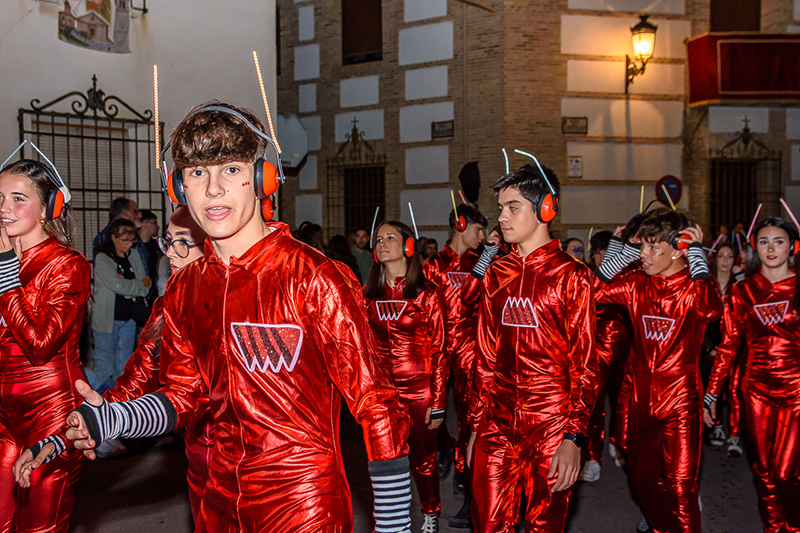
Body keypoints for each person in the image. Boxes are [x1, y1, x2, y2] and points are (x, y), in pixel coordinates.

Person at [62, 102, 413, 533]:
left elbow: (375, 403)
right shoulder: (187, 289)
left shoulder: (316, 277)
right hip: (217, 502)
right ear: (178, 188)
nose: (212, 190)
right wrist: (114, 418)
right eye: (196, 173)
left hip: (303, 503)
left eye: (230, 170)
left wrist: (395, 525)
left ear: (262, 178)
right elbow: (183, 397)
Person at [14, 206, 213, 521]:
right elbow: (134, 383)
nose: (170, 253)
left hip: (263, 467)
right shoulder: (169, 305)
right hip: (203, 464)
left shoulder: (241, 301)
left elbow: (193, 397)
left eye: (183, 243)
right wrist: (65, 436)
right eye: (168, 241)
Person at [466, 161, 596, 532]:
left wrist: (573, 437)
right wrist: (477, 426)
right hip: (496, 423)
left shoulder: (572, 276)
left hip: (552, 425)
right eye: (501, 208)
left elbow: (585, 365)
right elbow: (486, 357)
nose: (502, 218)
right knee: (487, 523)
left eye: (513, 207)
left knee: (545, 526)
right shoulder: (496, 273)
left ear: (545, 209)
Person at [595, 208, 723, 533]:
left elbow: (711, 309)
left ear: (678, 248)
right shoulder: (637, 283)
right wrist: (620, 248)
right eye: (643, 247)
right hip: (638, 402)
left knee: (680, 489)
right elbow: (591, 293)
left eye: (653, 247)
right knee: (643, 481)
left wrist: (697, 255)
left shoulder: (694, 288)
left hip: (680, 404)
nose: (644, 255)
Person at [0, 157, 91, 533]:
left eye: (18, 198)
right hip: (5, 412)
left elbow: (40, 344)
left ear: (47, 208)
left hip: (52, 414)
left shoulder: (67, 265)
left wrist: (5, 264)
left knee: (38, 527)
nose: (4, 208)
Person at [705, 217, 800, 533]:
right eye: (763, 242)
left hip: (797, 392)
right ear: (754, 248)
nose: (771, 248)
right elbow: (729, 346)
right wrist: (711, 393)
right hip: (755, 390)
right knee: (762, 469)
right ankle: (774, 527)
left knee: (786, 471)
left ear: (793, 246)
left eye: (778, 241)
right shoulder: (743, 290)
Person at [363, 220, 448, 532]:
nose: (382, 243)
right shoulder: (368, 294)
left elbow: (440, 351)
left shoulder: (426, 294)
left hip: (420, 391)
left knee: (422, 461)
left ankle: (430, 512)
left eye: (390, 238)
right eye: (378, 239)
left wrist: (438, 402)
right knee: (383, 461)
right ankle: (390, 522)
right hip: (382, 394)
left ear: (408, 246)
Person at [423, 202, 486, 528]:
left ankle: (466, 486)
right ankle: (445, 448)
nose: (483, 236)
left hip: (471, 353)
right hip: (435, 350)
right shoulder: (433, 265)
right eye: (478, 229)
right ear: (461, 224)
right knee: (426, 413)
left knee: (470, 421)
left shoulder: (482, 262)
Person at [579, 229, 633, 483]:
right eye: (598, 253)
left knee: (623, 403)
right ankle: (593, 457)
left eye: (606, 251)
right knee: (594, 407)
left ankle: (618, 443)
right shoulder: (589, 277)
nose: (602, 257)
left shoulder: (629, 278)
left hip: (624, 349)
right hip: (595, 351)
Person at [86, 219, 152, 394]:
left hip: (129, 318)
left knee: (124, 365)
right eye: (125, 240)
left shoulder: (134, 255)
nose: (129, 245)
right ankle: (100, 402)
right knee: (104, 365)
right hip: (106, 321)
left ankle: (119, 401)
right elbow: (117, 285)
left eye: (132, 241)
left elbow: (146, 285)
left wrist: (131, 285)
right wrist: (136, 286)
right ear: (114, 238)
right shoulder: (103, 259)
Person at [702, 242, 742, 454]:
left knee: (735, 390)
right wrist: (710, 347)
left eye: (729, 256)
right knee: (711, 387)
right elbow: (703, 319)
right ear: (714, 259)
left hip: (735, 347)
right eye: (721, 256)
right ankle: (716, 426)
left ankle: (734, 433)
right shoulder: (708, 284)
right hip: (712, 346)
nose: (725, 260)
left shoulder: (740, 283)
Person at [138, 209, 161, 300]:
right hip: (141, 292)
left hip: (155, 292)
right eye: (154, 223)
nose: (157, 226)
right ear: (144, 224)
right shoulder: (133, 246)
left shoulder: (156, 245)